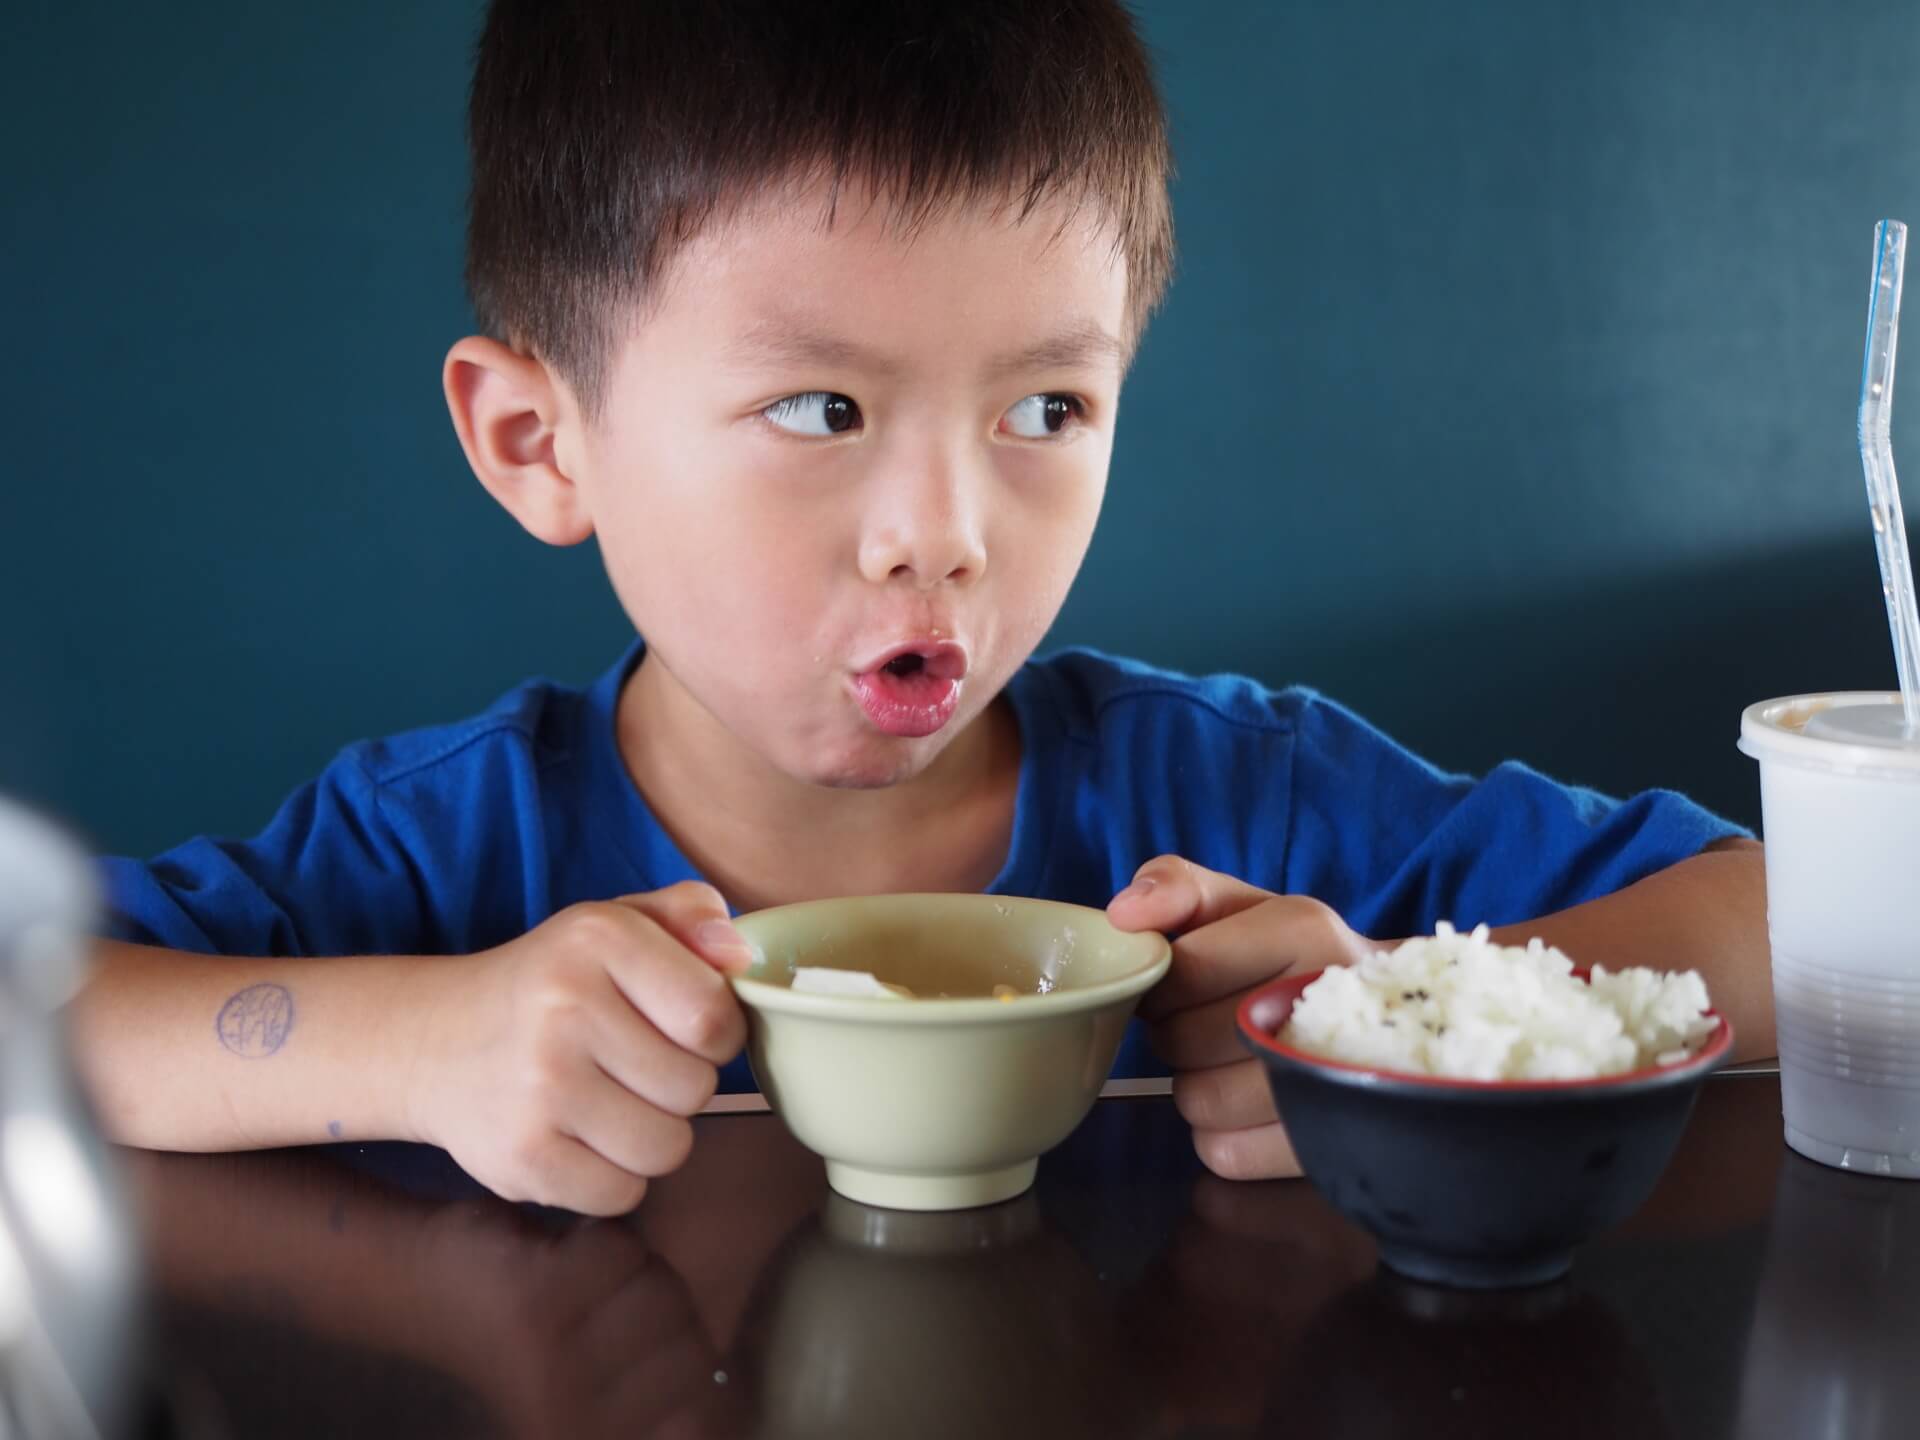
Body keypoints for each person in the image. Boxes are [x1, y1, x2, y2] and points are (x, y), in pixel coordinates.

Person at [72, 0, 1772, 1215]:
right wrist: (408, 1043)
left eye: (1047, 410)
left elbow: (1802, 926)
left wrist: (1376, 1017)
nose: (944, 538)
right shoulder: (437, 856)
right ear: (540, 441)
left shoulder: (1238, 805)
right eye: (820, 410)